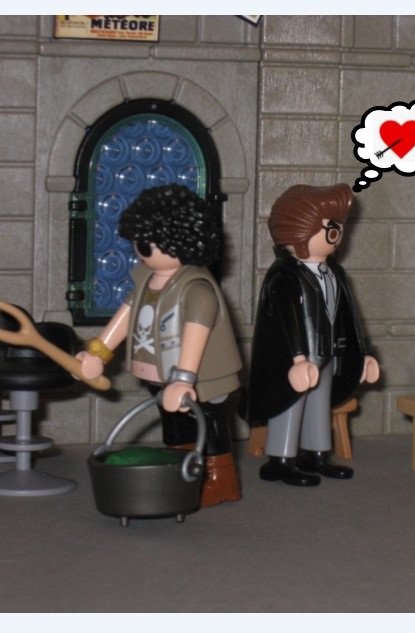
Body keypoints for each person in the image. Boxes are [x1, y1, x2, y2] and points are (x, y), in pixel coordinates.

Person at [76, 184, 243, 506]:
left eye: (147, 240)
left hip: (202, 379)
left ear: (179, 239)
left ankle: (221, 479)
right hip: (161, 374)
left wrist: (184, 378)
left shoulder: (197, 289)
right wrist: (99, 352)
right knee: (175, 424)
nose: (140, 247)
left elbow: (195, 333)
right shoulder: (146, 281)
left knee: (209, 424)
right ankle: (180, 471)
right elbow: (125, 317)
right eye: (139, 239)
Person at [240, 183, 379, 486]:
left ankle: (317, 454)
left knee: (319, 403)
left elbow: (349, 317)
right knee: (290, 404)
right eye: (331, 227)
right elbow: (287, 321)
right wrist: (298, 358)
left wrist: (363, 354)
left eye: (338, 227)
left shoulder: (335, 273)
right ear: (299, 230)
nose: (337, 235)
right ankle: (281, 458)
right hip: (297, 359)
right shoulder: (285, 276)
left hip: (328, 354)